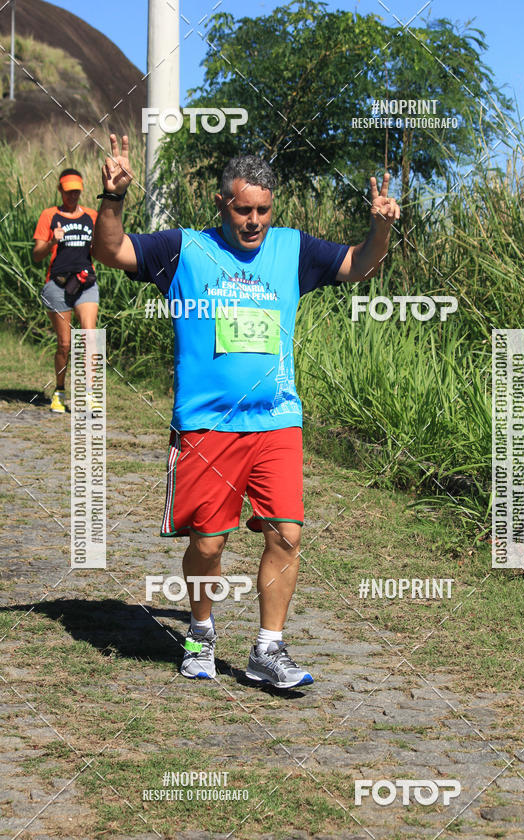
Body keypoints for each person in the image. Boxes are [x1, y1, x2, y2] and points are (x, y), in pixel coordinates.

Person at [92, 133, 399, 689]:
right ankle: (200, 631)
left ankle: (268, 649)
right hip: (208, 425)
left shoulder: (292, 248)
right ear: (222, 205)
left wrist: (380, 228)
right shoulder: (184, 249)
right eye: (243, 209)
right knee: (209, 543)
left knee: (286, 535)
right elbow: (111, 251)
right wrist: (111, 198)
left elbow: (359, 267)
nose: (253, 221)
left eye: (262, 210)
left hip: (277, 419)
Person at [32, 169, 99, 413]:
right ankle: (59, 390)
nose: (73, 196)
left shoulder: (92, 216)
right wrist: (52, 241)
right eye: (68, 191)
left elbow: (102, 250)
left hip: (86, 283)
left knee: (90, 336)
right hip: (57, 285)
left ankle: (90, 395)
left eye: (76, 191)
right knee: (64, 343)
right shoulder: (49, 215)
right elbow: (37, 255)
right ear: (60, 190)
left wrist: (97, 246)